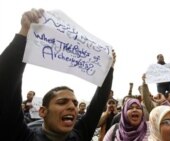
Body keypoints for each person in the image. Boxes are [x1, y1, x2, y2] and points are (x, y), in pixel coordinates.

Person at [0, 8, 115, 141]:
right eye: (62, 102)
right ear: (43, 111)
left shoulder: (80, 135)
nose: (72, 106)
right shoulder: (22, 136)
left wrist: (108, 68)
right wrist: (24, 34)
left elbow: (98, 103)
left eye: (75, 103)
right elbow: (6, 82)